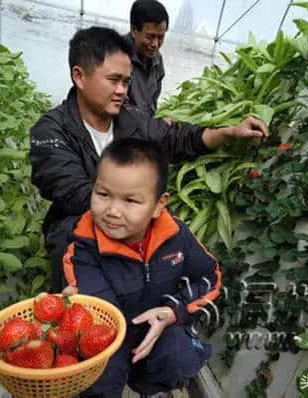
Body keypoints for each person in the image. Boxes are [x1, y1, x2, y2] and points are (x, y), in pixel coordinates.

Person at [29, 26, 267, 293]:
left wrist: (229, 132)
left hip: (127, 223)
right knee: (72, 249)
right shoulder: (51, 130)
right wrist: (138, 213)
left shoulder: (129, 121)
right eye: (114, 80)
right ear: (79, 76)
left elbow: (175, 138)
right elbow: (71, 190)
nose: (122, 90)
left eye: (126, 82)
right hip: (77, 231)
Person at [62, 138, 220, 398]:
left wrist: (173, 311)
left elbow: (209, 276)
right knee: (101, 375)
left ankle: (147, 385)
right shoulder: (83, 249)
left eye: (131, 201)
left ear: (159, 204)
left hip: (159, 328)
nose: (112, 210)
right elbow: (103, 315)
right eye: (103, 194)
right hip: (110, 337)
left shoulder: (177, 237)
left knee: (179, 358)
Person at [125, 0, 168, 116]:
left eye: (161, 37)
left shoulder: (157, 60)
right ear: (134, 30)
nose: (155, 44)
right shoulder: (117, 55)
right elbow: (116, 107)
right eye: (150, 36)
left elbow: (152, 103)